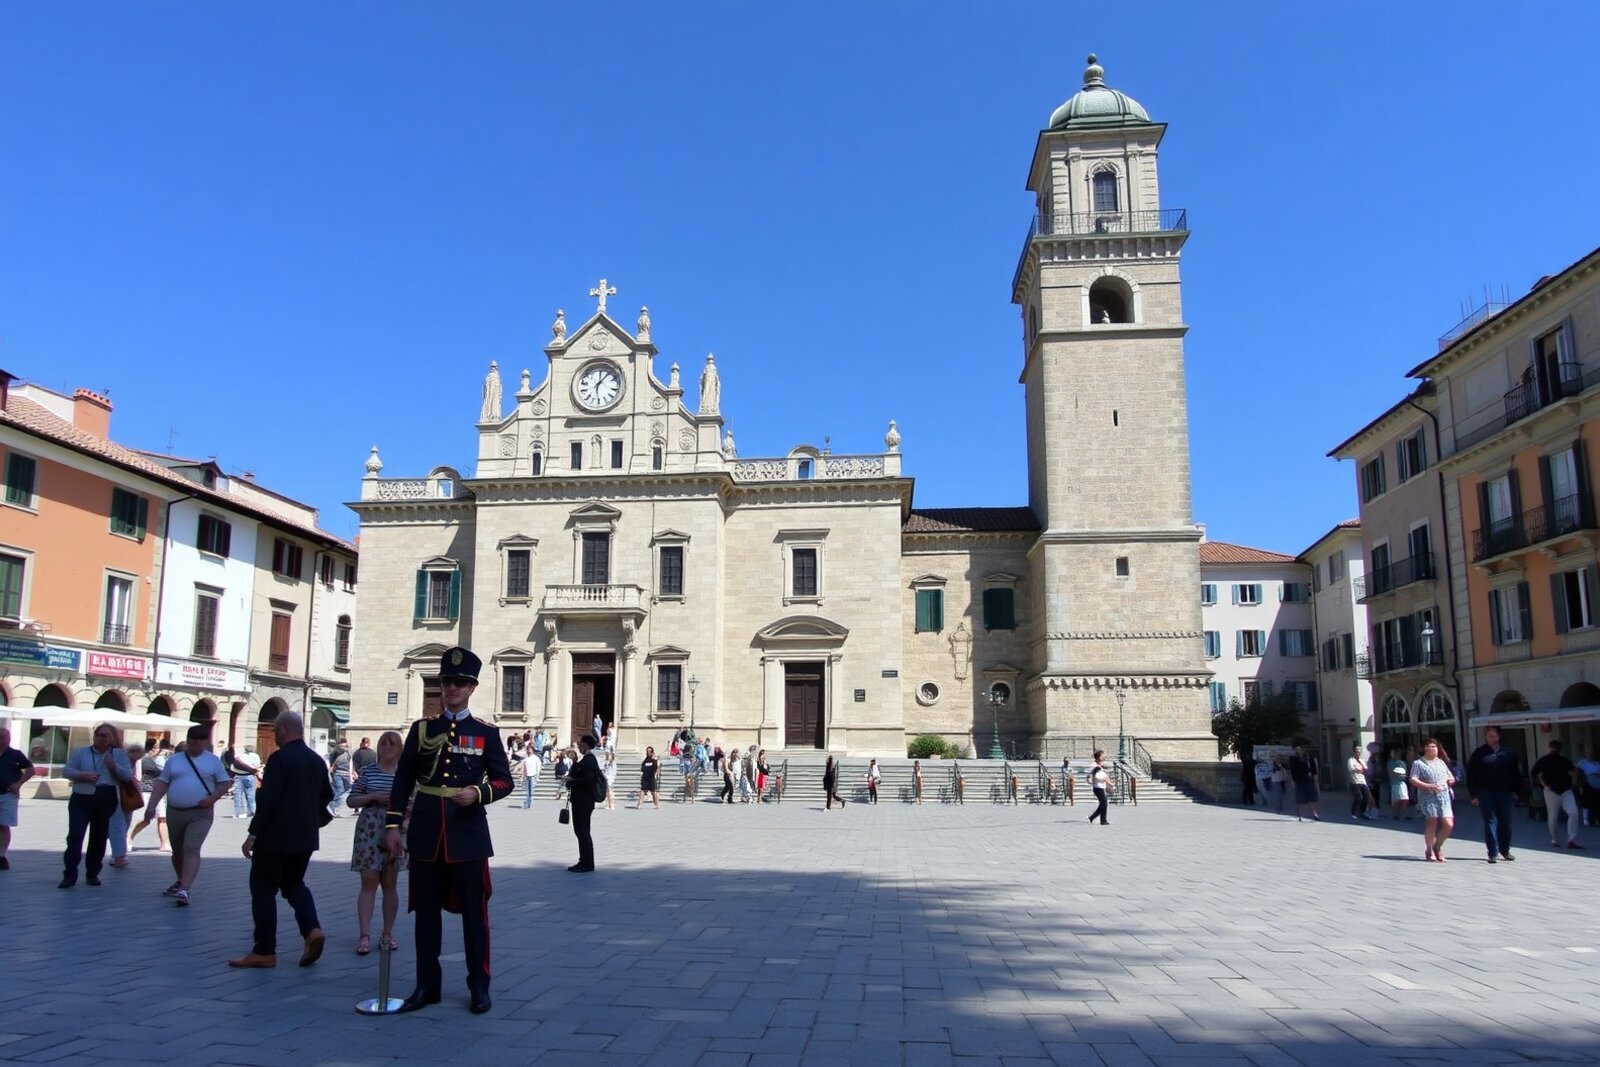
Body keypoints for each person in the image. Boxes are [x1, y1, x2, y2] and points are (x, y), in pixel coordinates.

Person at [384, 646, 513, 1014]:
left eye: (460, 682)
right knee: (425, 915)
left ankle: (479, 985)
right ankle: (427, 985)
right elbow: (403, 779)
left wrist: (479, 792)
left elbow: (505, 781)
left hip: (467, 834)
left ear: (472, 687)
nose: (452, 687)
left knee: (475, 915)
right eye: (446, 681)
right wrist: (393, 825)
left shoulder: (485, 732)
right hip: (426, 831)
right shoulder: (422, 729)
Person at [230, 712, 332, 969]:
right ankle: (311, 930)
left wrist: (253, 834)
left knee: (263, 888)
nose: (274, 735)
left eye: (276, 730)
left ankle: (264, 949)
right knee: (294, 884)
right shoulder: (316, 760)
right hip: (306, 837)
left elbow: (268, 800)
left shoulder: (279, 759)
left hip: (275, 838)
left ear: (284, 730)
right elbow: (327, 796)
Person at [143, 724, 232, 907]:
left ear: (205, 742)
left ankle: (184, 888)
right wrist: (151, 806)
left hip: (201, 813)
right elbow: (162, 783)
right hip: (175, 811)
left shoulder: (212, 761)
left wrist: (212, 798)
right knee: (178, 852)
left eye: (197, 743)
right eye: (190, 742)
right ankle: (181, 880)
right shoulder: (175, 760)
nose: (193, 746)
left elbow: (225, 783)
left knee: (191, 847)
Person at [349, 730, 406, 956]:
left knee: (390, 883)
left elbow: (413, 801)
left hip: (395, 827)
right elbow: (351, 799)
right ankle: (364, 935)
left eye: (392, 744)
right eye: (383, 743)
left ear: (399, 749)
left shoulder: (405, 775)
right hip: (369, 827)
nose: (387, 747)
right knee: (369, 880)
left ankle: (387, 933)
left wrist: (405, 825)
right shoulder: (368, 771)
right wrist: (372, 797)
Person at [60, 723, 134, 888]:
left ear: (112, 738)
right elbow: (66, 770)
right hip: (81, 797)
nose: (101, 738)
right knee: (75, 835)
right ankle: (69, 875)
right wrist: (81, 775)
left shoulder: (119, 754)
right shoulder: (81, 752)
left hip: (106, 797)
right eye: (99, 735)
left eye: (105, 735)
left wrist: (113, 766)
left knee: (99, 837)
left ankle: (92, 873)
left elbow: (128, 776)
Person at [1466, 725, 1526, 863]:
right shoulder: (1479, 753)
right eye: (1489, 736)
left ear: (1499, 736)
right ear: (1486, 738)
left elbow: (1516, 773)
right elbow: (1471, 774)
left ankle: (1505, 850)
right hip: (1486, 792)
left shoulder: (1508, 753)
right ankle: (1492, 852)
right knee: (1490, 821)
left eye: (1494, 736)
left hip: (1504, 792)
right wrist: (1473, 794)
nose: (1492, 739)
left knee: (1506, 822)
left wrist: (1516, 791)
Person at [1530, 740, 1584, 850]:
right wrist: (1543, 785)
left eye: (1556, 748)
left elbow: (1575, 772)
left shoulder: (1564, 761)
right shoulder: (1544, 761)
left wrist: (1575, 775)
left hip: (1565, 791)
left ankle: (1571, 838)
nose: (1554, 750)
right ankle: (1554, 839)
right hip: (1550, 791)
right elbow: (1534, 773)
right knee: (1553, 817)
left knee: (1573, 812)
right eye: (1553, 747)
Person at [1409, 738, 1456, 862]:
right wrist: (1428, 786)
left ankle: (1437, 846)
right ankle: (1429, 849)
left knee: (1448, 824)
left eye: (1436, 747)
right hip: (1428, 796)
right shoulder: (1418, 763)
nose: (1435, 749)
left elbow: (1449, 776)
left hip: (1443, 796)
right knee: (1432, 822)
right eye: (1432, 746)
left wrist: (1451, 780)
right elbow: (1413, 779)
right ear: (1425, 748)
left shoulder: (1441, 762)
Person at [561, 734, 602, 873]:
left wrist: (570, 781)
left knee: (583, 831)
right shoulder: (585, 760)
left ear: (585, 744)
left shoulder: (590, 760)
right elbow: (579, 774)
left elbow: (588, 780)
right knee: (580, 831)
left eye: (580, 744)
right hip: (580, 799)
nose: (578, 746)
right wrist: (575, 762)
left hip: (584, 800)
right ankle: (583, 860)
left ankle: (587, 863)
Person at [0, 726, 35, 870]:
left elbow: (30, 769)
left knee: (4, 825)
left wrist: (18, 784)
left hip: (8, 794)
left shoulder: (15, 754)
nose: (2, 740)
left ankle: (1, 856)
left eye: (4, 737)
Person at [130, 741, 171, 853]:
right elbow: (159, 771)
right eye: (157, 747)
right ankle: (130, 837)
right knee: (147, 819)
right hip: (147, 791)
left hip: (159, 791)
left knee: (162, 818)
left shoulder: (157, 759)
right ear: (152, 748)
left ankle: (165, 843)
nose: (159, 750)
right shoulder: (145, 760)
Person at [229, 743, 262, 819]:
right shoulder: (255, 756)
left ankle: (239, 813)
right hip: (250, 776)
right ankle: (252, 811)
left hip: (238, 776)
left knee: (238, 795)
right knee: (251, 795)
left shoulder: (240, 756)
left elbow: (233, 767)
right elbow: (257, 766)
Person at [1346, 744, 1373, 821]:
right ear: (1354, 752)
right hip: (1355, 782)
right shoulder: (1350, 760)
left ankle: (1362, 812)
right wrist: (1360, 770)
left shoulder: (1361, 760)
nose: (1359, 753)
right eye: (1357, 752)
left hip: (1363, 781)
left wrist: (1361, 770)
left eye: (1360, 752)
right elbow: (1352, 769)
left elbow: (1366, 769)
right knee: (1359, 798)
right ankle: (1354, 813)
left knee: (1367, 797)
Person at [327, 738, 353, 817]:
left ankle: (333, 806)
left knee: (343, 791)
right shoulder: (338, 752)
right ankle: (333, 806)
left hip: (343, 774)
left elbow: (351, 764)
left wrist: (352, 773)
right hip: (339, 774)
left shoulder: (347, 752)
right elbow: (330, 763)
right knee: (341, 791)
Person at [1577, 745, 1600, 830]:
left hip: (1598, 787)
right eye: (1587, 750)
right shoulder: (1582, 763)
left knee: (1597, 803)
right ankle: (1587, 819)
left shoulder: (1597, 763)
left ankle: (1596, 819)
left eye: (1591, 751)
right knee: (1588, 803)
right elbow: (1579, 775)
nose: (1590, 752)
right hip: (1588, 786)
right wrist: (1580, 787)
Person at [1386, 746, 1411, 821]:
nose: (1398, 754)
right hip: (1395, 783)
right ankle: (1396, 814)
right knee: (1396, 799)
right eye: (1396, 753)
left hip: (1403, 782)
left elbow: (1406, 773)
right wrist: (1397, 774)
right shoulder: (1391, 762)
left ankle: (1402, 814)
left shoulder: (1403, 762)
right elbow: (1391, 773)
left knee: (1405, 799)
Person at [1087, 750, 1111, 825]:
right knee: (1104, 803)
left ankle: (1103, 820)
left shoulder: (1100, 765)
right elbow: (1091, 774)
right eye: (1102, 756)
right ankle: (1092, 817)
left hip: (1101, 787)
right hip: (1097, 788)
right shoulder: (1094, 765)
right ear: (1097, 757)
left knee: (1104, 803)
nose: (1103, 757)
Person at [518, 745, 541, 809]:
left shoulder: (536, 758)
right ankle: (527, 803)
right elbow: (523, 768)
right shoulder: (525, 759)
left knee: (531, 791)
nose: (529, 751)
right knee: (527, 791)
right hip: (527, 776)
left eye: (530, 750)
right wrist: (522, 776)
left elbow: (538, 767)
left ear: (533, 750)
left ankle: (529, 803)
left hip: (533, 776)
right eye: (528, 750)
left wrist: (537, 775)